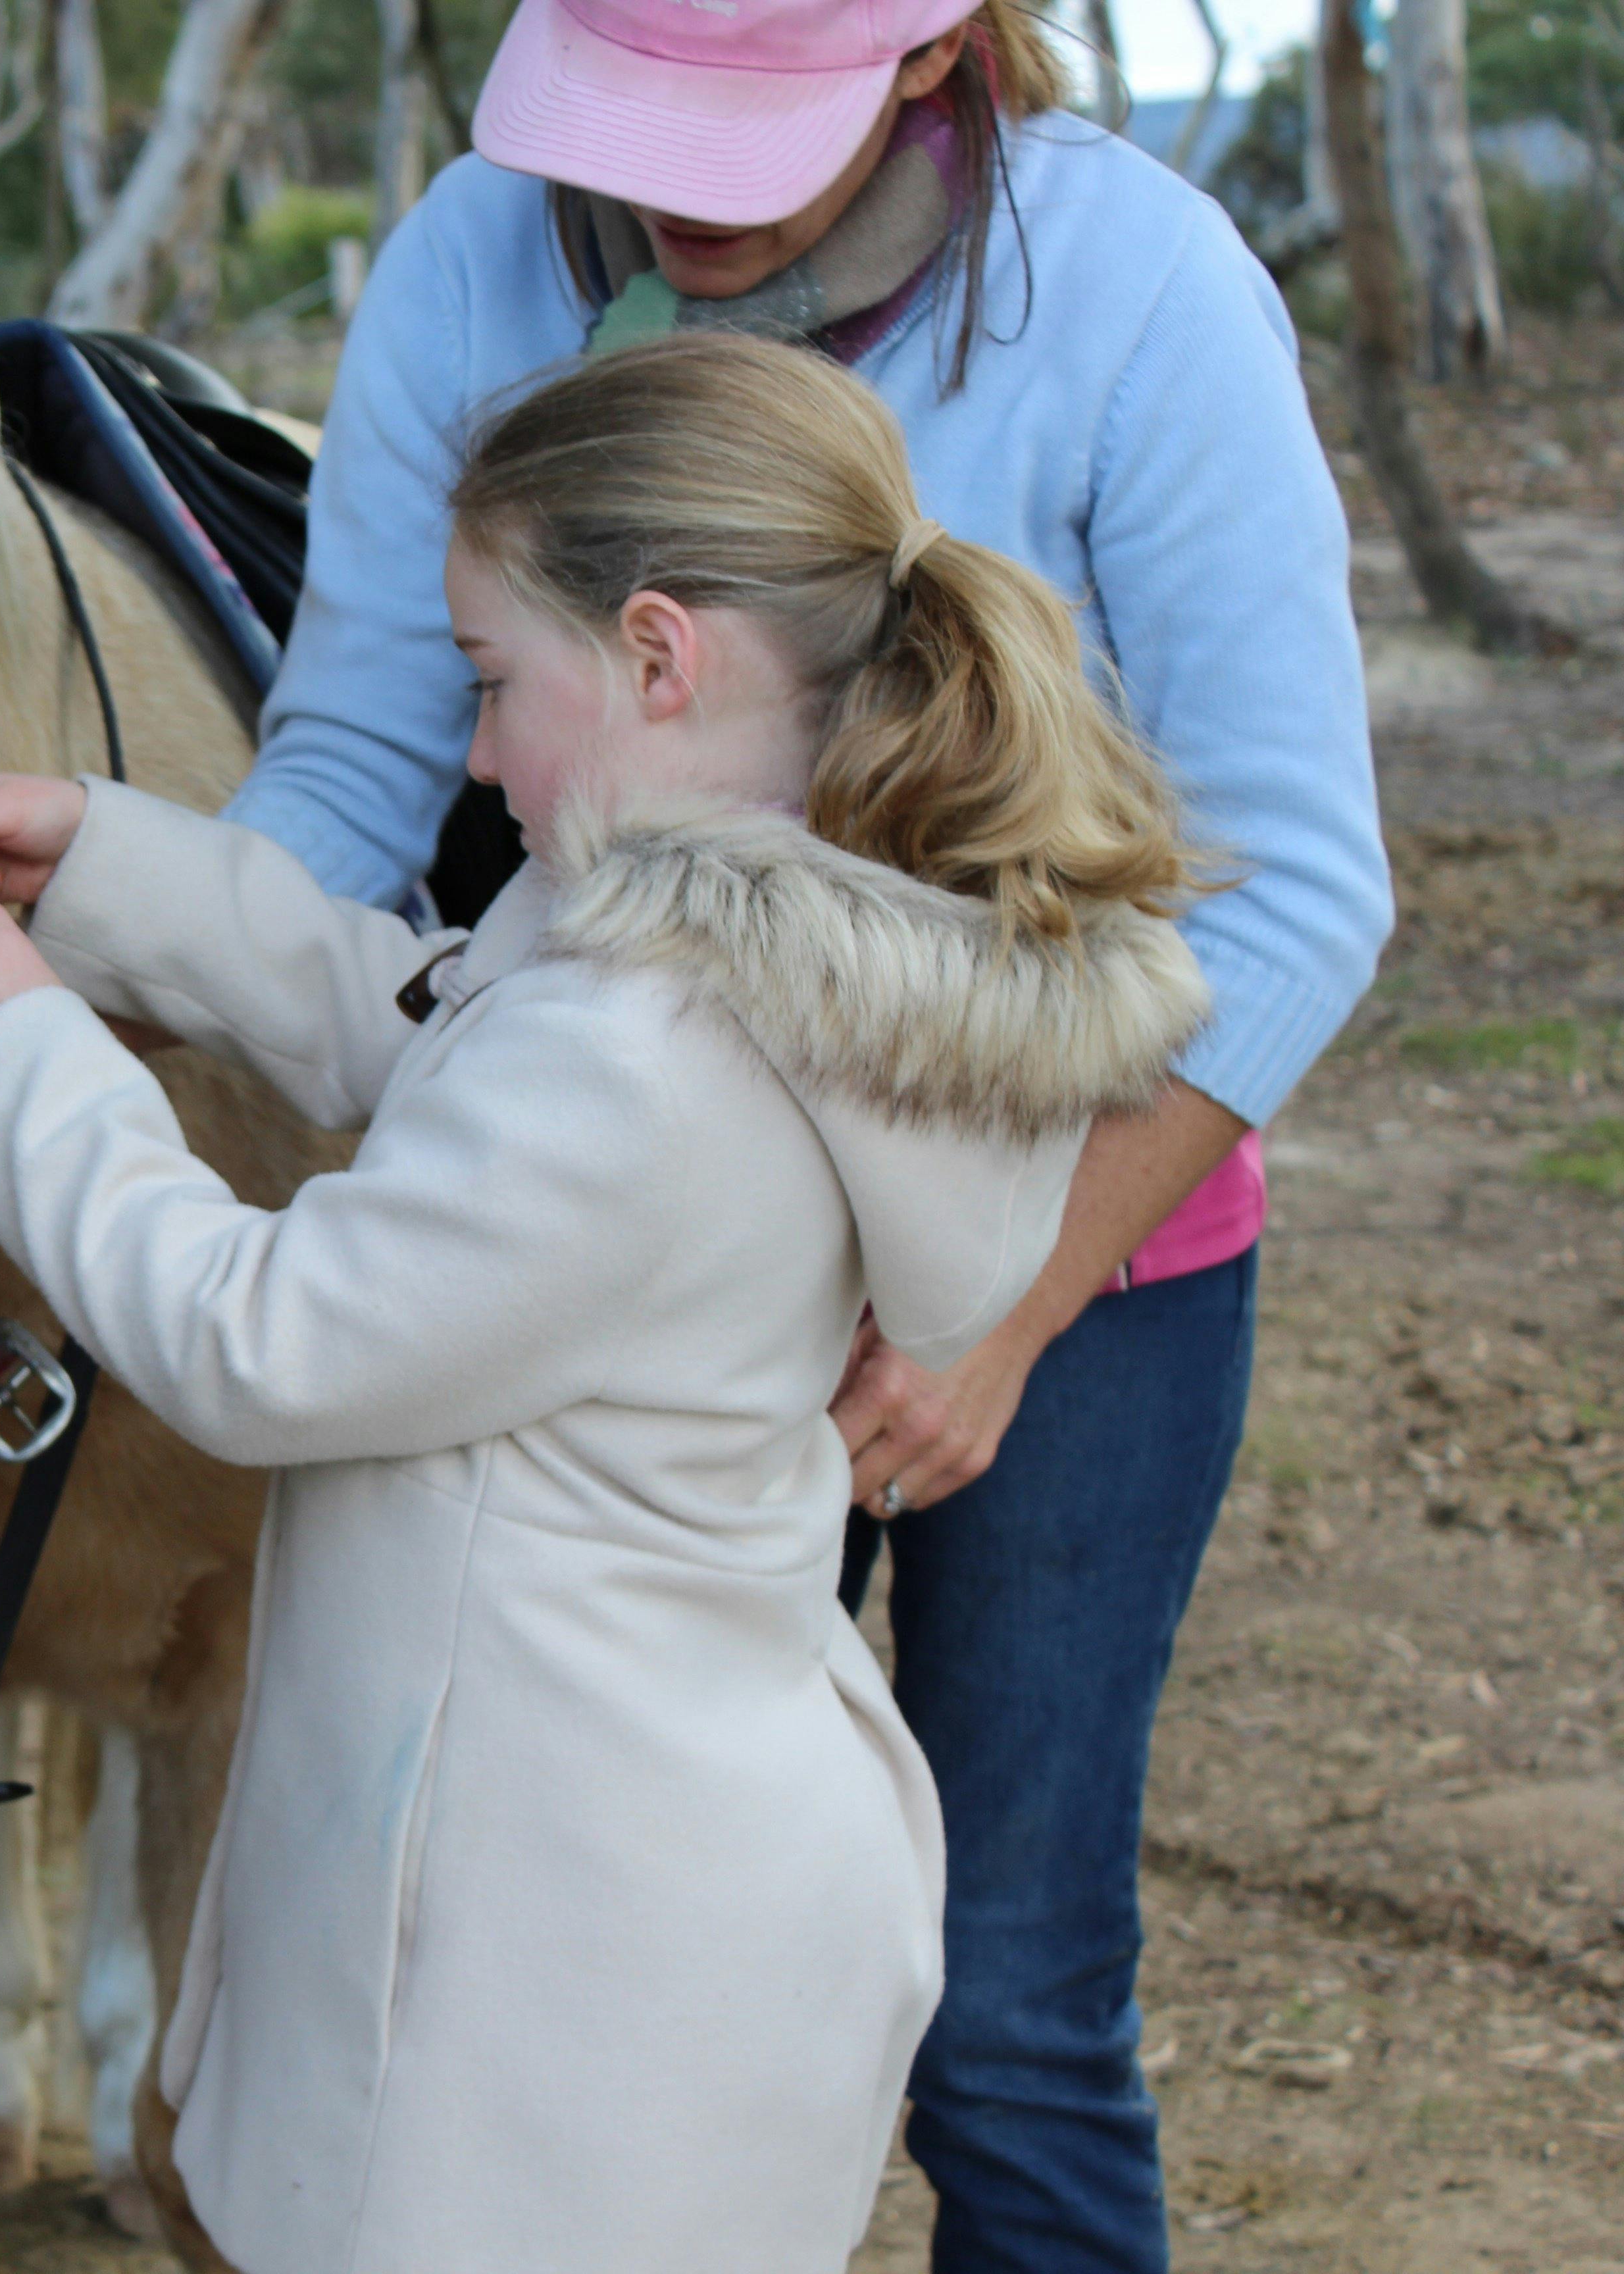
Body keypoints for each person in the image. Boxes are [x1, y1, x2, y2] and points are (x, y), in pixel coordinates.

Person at [215, 4, 1393, 2265]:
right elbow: (359, 763)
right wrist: (136, 951)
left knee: (1014, 1999)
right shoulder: (475, 259)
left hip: (1082, 1262)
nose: (678, 188)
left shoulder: (1141, 289)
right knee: (564, 1955)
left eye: (742, 117)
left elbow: (1302, 884)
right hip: (651, 1245)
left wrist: (1003, 1320)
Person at [0, 335, 1212, 2274]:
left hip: (535, 1980)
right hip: (640, 1908)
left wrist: (17, 1057)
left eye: (495, 683)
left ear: (659, 657)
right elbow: (428, 1022)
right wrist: (115, 870)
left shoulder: (641, 1057)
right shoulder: (752, 953)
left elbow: (265, 1339)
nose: (478, 757)